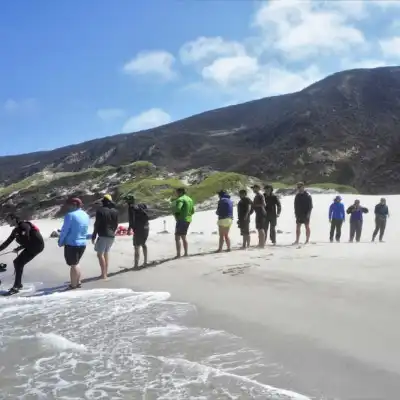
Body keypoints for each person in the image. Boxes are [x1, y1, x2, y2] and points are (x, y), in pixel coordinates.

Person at [0, 214, 44, 295]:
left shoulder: (24, 226)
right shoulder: (15, 231)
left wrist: (19, 248)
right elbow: (7, 242)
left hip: (37, 246)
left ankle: (17, 286)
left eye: (8, 219)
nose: (7, 221)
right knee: (18, 262)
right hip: (30, 246)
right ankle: (18, 285)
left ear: (14, 219)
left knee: (18, 262)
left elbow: (27, 240)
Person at [58, 198, 90, 289]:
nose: (68, 207)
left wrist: (60, 241)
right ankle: (78, 282)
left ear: (74, 205)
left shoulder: (70, 215)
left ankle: (73, 285)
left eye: (69, 205)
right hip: (83, 243)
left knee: (73, 264)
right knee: (76, 262)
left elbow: (65, 230)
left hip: (72, 243)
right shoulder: (86, 215)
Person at [92, 194, 119, 279]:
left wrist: (94, 235)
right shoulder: (115, 211)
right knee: (106, 253)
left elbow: (97, 224)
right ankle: (105, 273)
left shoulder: (100, 211)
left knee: (100, 254)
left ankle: (103, 275)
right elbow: (116, 224)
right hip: (111, 235)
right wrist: (113, 232)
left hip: (103, 234)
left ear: (103, 202)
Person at [127, 196, 151, 269]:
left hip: (138, 229)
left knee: (136, 246)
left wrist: (129, 229)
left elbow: (131, 220)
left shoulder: (131, 208)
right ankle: (145, 262)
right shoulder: (140, 207)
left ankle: (136, 265)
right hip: (146, 227)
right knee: (143, 244)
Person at [173, 188, 195, 258]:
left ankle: (178, 254)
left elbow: (178, 208)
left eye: (176, 192)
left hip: (181, 219)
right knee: (183, 236)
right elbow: (193, 211)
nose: (176, 194)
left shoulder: (180, 199)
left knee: (177, 237)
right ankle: (185, 253)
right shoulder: (190, 199)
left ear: (180, 192)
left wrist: (176, 214)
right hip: (188, 220)